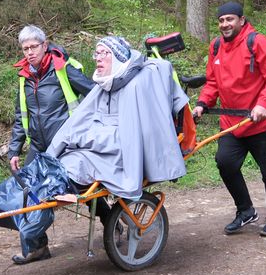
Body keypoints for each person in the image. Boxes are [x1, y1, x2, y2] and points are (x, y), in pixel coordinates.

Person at [47, 36, 188, 201]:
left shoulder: (134, 86)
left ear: (117, 57)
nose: (98, 58)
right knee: (65, 160)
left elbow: (129, 136)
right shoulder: (105, 85)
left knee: (77, 163)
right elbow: (81, 119)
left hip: (118, 154)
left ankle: (56, 187)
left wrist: (82, 137)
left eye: (104, 53)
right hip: (99, 148)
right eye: (96, 54)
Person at [191, 1, 266, 237]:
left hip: (263, 121)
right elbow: (213, 82)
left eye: (230, 19)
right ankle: (246, 211)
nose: (225, 24)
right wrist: (202, 103)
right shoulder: (215, 47)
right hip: (233, 123)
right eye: (221, 20)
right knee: (225, 163)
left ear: (241, 20)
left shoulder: (258, 42)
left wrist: (263, 104)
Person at [4, 25, 93, 264]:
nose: (30, 52)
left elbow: (94, 94)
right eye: (25, 48)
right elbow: (20, 116)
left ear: (45, 45)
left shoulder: (63, 69)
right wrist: (14, 149)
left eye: (34, 46)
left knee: (84, 190)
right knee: (28, 192)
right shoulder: (24, 76)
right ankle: (37, 247)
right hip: (38, 146)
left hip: (66, 145)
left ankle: (113, 223)